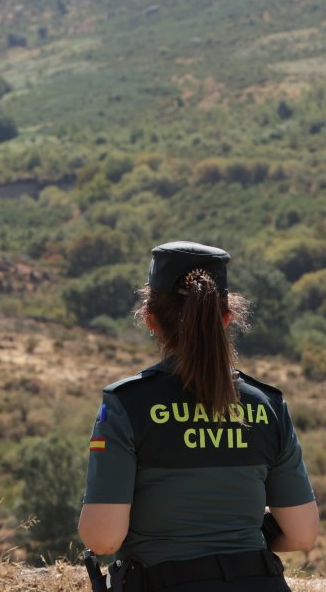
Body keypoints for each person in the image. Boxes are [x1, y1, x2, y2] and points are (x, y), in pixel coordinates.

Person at [79, 241, 318, 591]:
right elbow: (302, 534)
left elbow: (103, 539)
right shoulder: (268, 405)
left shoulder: (125, 405)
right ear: (226, 318)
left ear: (150, 318)